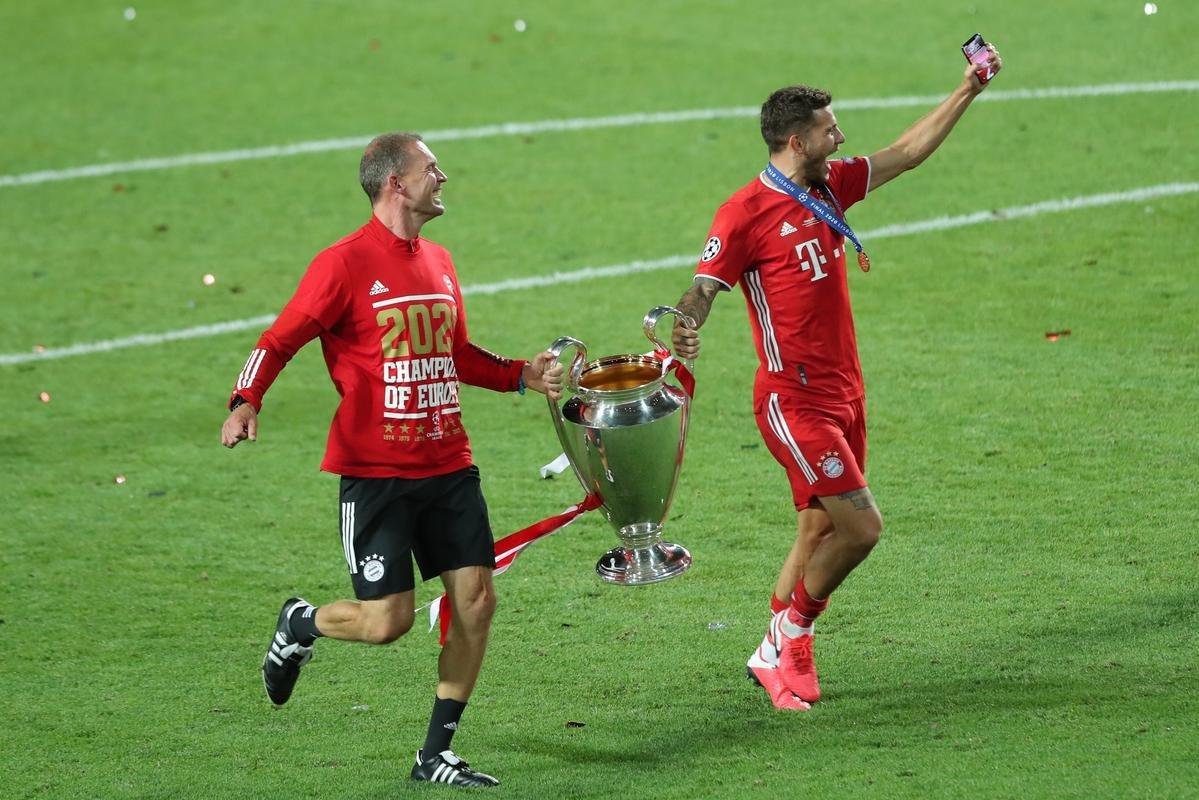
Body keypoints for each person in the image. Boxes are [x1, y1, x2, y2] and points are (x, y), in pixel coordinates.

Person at [220, 132, 563, 786]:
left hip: (449, 464)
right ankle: (300, 623)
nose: (444, 177)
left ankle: (435, 754)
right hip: (377, 473)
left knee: (477, 603)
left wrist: (521, 374)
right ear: (394, 184)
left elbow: (454, 354)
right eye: (431, 169)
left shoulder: (438, 260)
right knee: (387, 622)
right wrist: (244, 400)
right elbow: (279, 338)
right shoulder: (341, 264)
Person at [669, 44, 1003, 711]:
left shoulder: (826, 184)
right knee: (861, 529)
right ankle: (789, 637)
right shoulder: (743, 212)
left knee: (818, 531)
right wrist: (686, 322)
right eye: (828, 129)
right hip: (792, 400)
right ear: (796, 140)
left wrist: (967, 88)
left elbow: (905, 153)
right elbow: (702, 286)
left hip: (845, 391)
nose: (840, 136)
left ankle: (771, 655)